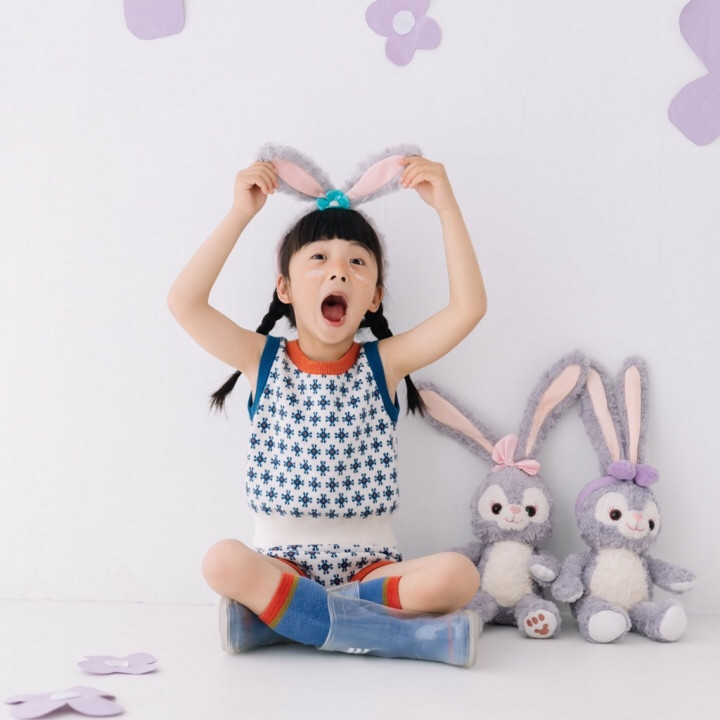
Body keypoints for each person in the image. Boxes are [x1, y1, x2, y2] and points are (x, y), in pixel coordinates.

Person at [167, 151, 488, 666]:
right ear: (285, 288)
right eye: (319, 258)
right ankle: (403, 638)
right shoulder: (261, 359)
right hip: (282, 566)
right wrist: (240, 213)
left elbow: (468, 309)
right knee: (222, 562)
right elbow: (184, 302)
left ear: (374, 297)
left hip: (371, 569)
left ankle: (283, 621)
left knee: (459, 576)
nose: (338, 271)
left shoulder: (384, 364)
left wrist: (447, 208)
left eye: (356, 262)